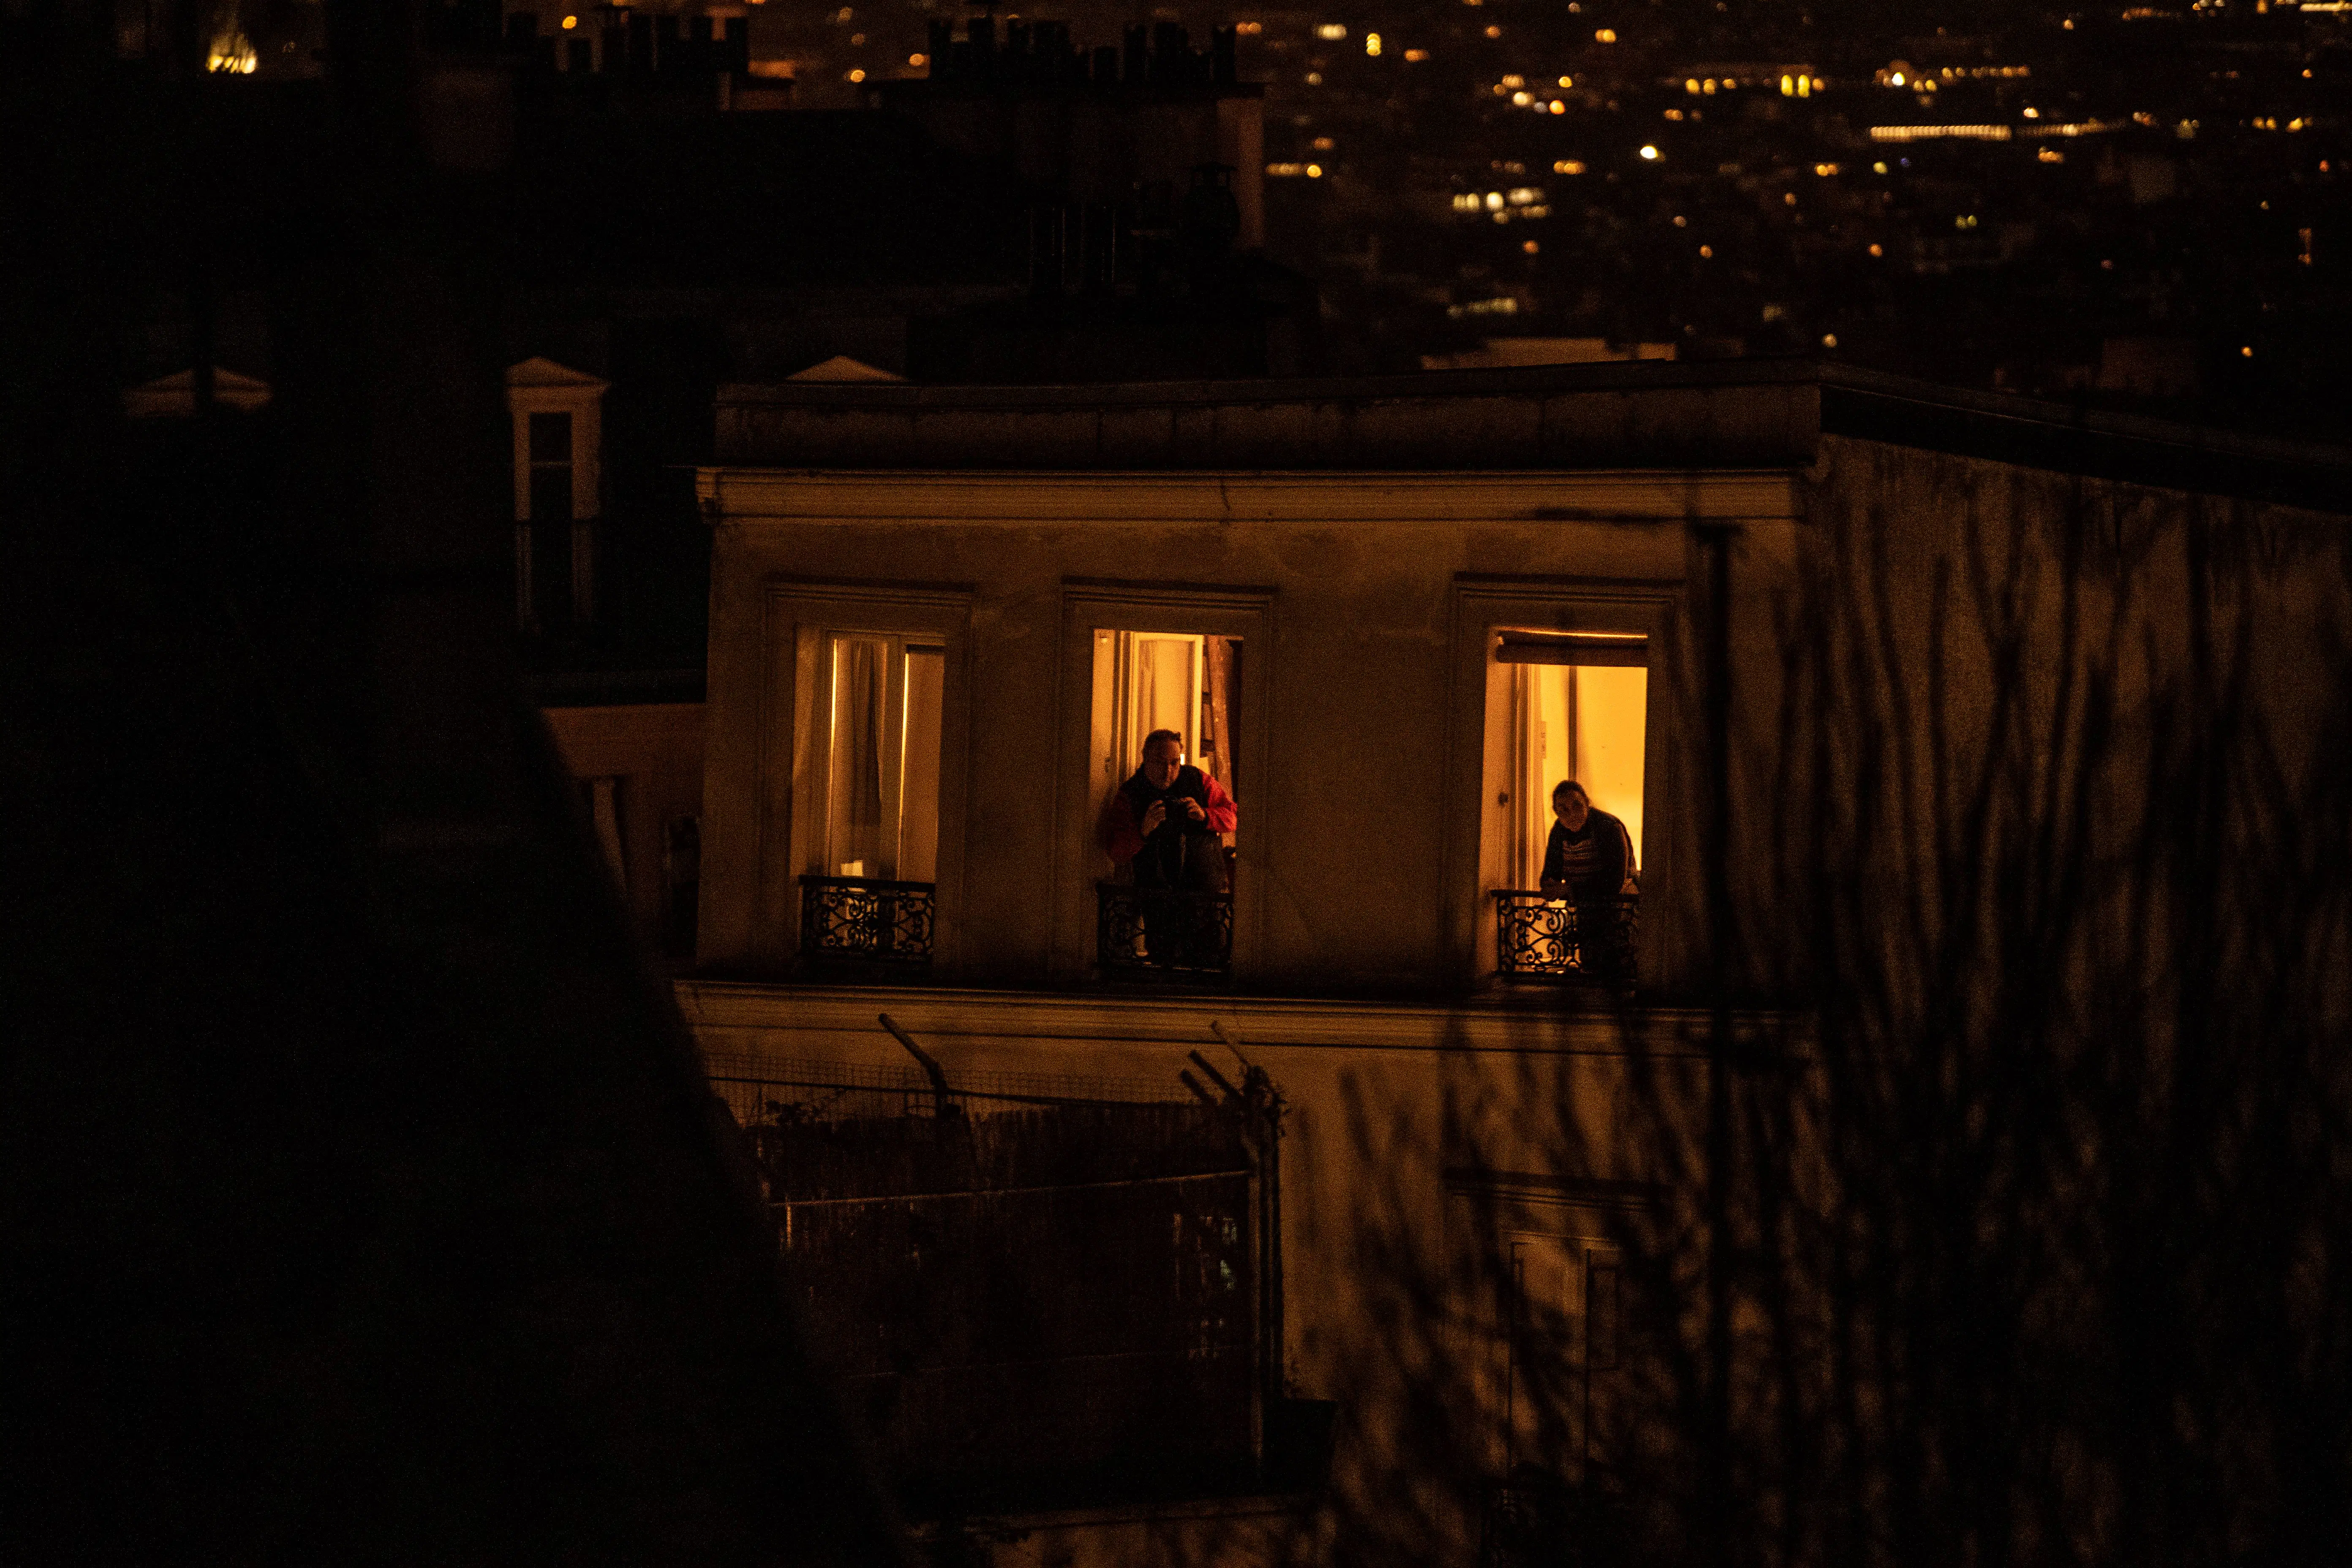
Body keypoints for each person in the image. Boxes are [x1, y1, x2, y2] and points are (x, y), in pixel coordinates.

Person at [1101, 730, 1237, 965]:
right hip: (1158, 897)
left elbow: (1233, 817)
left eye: (1175, 763)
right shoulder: (1130, 794)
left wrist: (1205, 816)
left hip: (1205, 892)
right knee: (1165, 960)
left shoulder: (1200, 781)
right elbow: (1115, 849)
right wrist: (1143, 832)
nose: (1169, 771)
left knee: (1212, 958)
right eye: (1160, 763)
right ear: (1145, 758)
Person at [1539, 781, 1636, 973]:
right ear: (1556, 812)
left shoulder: (1609, 828)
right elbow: (1551, 872)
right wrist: (1549, 885)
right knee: (1592, 969)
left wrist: (1567, 889)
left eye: (1577, 805)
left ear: (1587, 802)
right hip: (1585, 912)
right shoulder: (1559, 831)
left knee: (1617, 969)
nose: (1572, 814)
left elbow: (1614, 883)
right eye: (1563, 809)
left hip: (1619, 912)